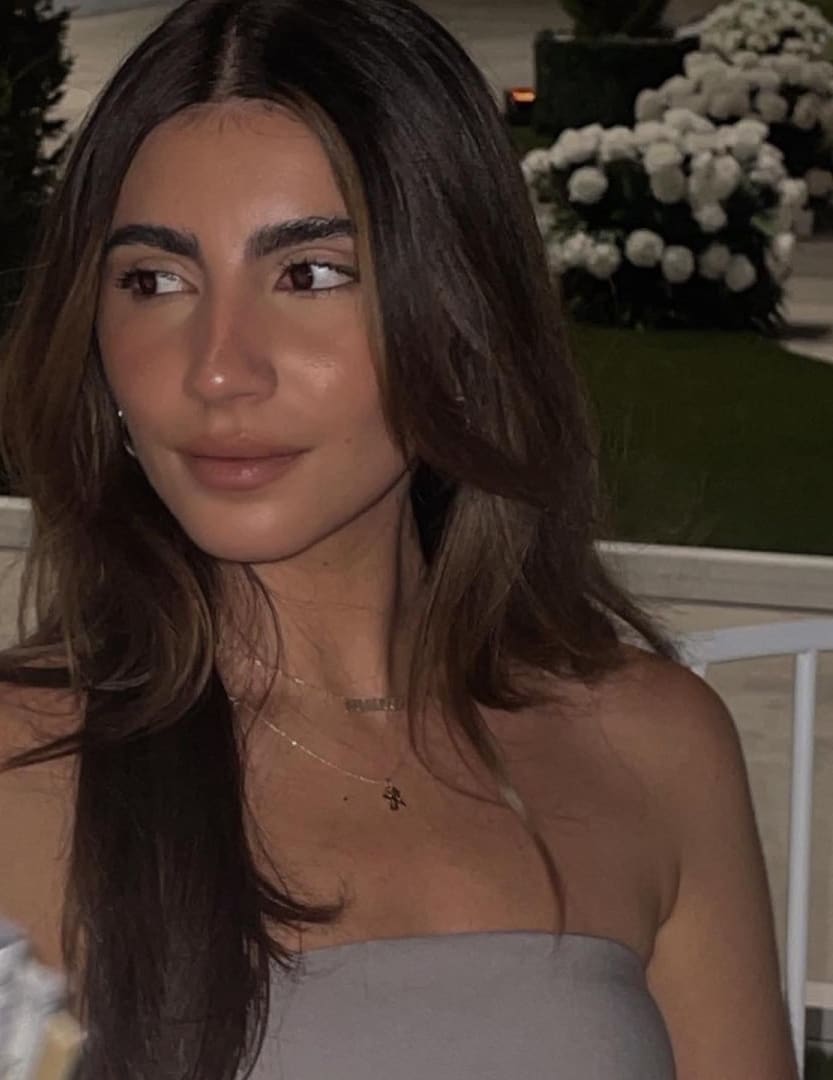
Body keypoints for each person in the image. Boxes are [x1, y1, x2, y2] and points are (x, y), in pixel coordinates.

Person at [0, 0, 798, 1077]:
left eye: (310, 274)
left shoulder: (652, 747)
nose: (218, 368)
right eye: (154, 281)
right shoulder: (21, 771)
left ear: (461, 315)